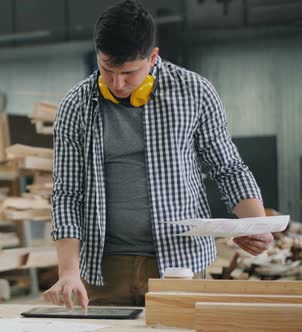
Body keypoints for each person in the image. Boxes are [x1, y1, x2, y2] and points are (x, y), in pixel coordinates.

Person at [43, 0, 272, 309]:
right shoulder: (75, 105)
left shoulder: (195, 92)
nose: (117, 83)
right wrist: (68, 271)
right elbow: (67, 193)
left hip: (181, 263)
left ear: (153, 57)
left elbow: (227, 167)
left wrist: (255, 227)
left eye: (128, 73)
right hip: (104, 269)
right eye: (107, 70)